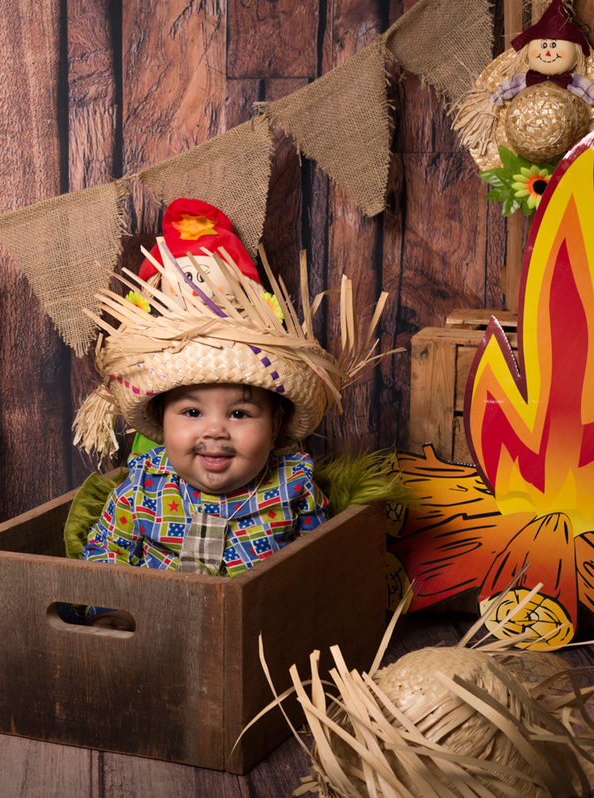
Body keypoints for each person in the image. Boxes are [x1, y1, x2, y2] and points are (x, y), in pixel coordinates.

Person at [72, 200, 386, 631]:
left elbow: (316, 565)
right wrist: (109, 612)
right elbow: (106, 553)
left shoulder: (293, 487)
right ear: (162, 422)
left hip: (258, 638)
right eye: (192, 411)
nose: (215, 430)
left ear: (275, 425)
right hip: (157, 633)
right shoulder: (142, 487)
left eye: (239, 413)